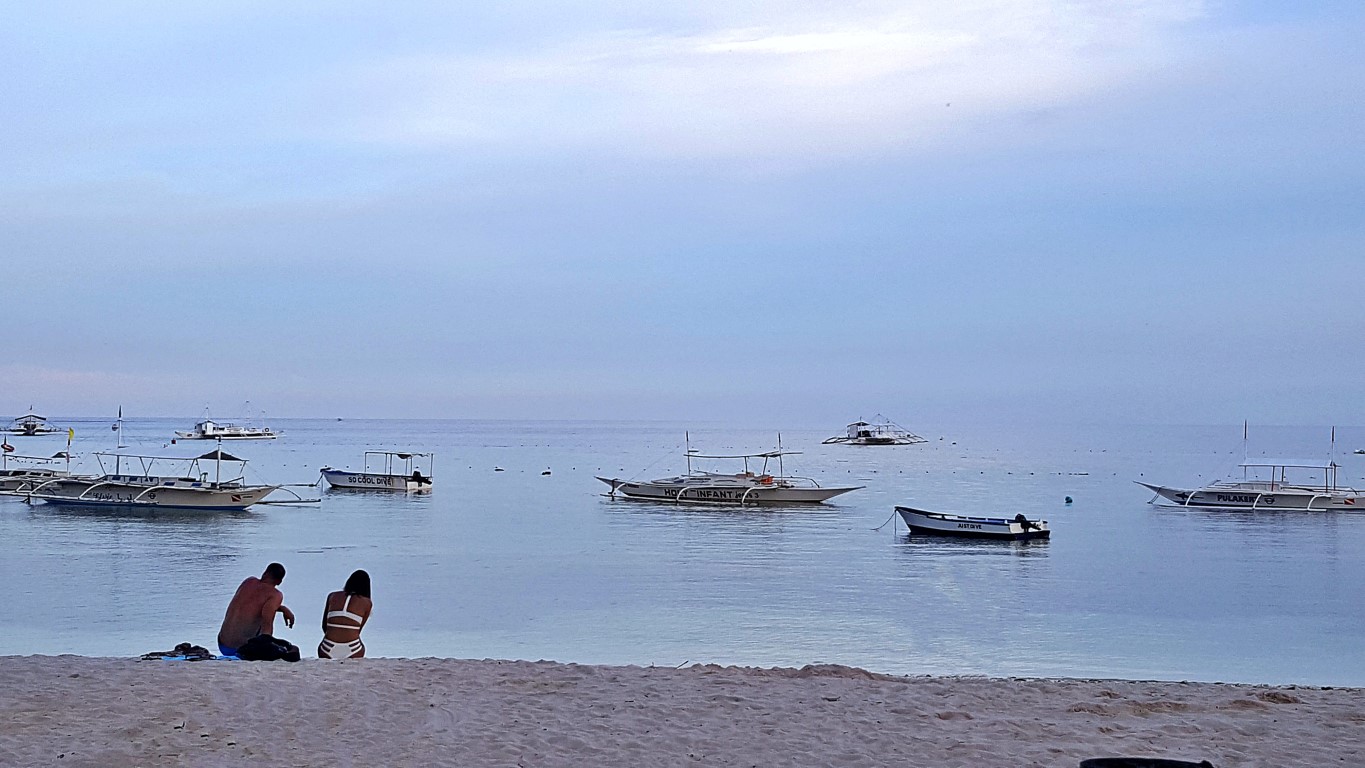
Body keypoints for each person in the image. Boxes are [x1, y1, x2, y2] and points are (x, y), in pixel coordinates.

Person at [217, 563, 295, 658]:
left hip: (222, 643)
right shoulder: (275, 595)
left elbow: (253, 604)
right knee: (291, 650)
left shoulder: (248, 582)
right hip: (241, 649)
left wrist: (282, 608)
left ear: (265, 573)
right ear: (279, 582)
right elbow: (267, 626)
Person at [319, 570, 372, 659]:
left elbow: (324, 626)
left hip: (326, 649)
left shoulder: (332, 596)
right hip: (353, 650)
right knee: (361, 644)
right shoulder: (367, 603)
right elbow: (358, 631)